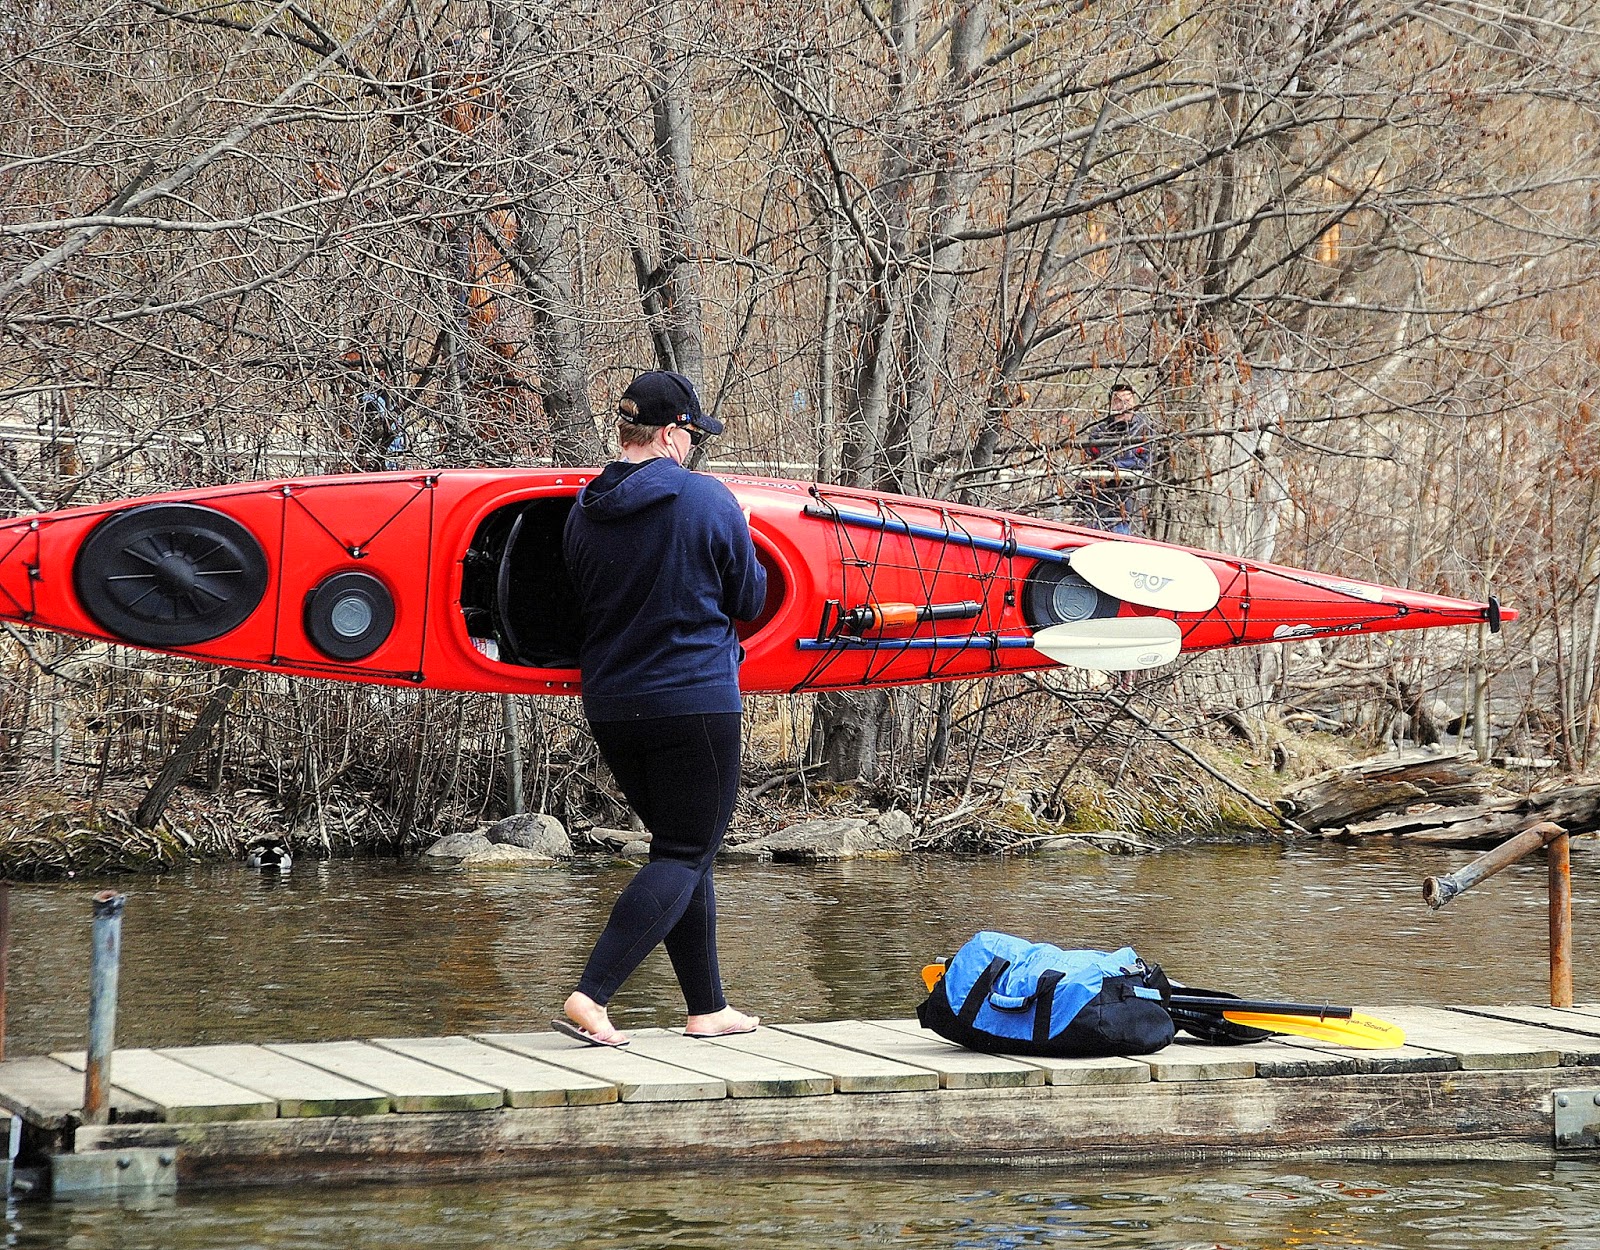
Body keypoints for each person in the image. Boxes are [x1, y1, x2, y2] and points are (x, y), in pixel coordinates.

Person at [554, 370, 768, 1047]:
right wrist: (747, 534)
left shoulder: (583, 510)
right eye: (691, 434)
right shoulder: (707, 499)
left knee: (684, 850)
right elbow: (751, 602)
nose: (693, 446)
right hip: (693, 700)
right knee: (684, 850)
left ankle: (708, 1007)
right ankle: (591, 995)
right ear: (672, 433)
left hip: (614, 705)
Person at [1075, 383, 1151, 535]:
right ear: (1110, 405)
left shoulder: (1143, 430)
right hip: (1096, 505)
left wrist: (1117, 466)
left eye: (1127, 401)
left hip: (1128, 507)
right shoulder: (1099, 432)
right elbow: (1091, 462)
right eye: (1117, 401)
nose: (1123, 406)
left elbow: (1145, 462)